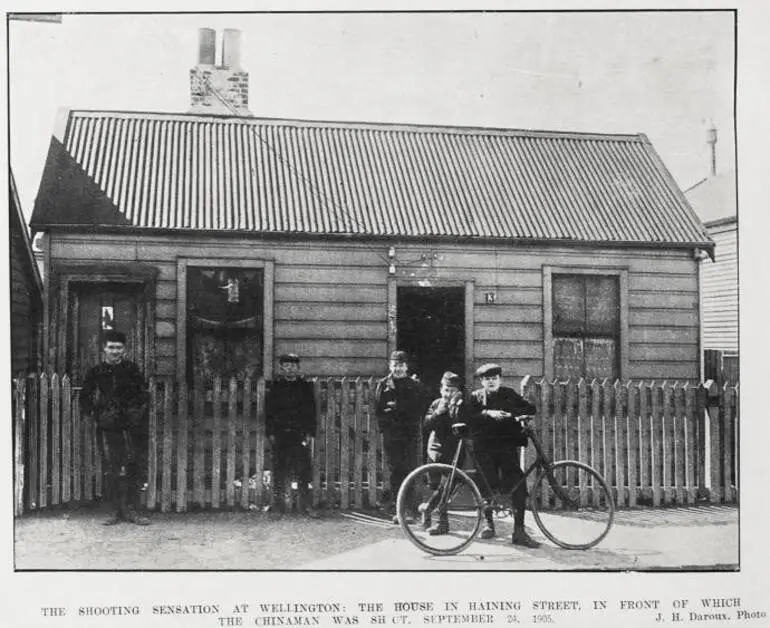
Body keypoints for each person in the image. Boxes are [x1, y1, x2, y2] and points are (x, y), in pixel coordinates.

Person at [80, 330, 150, 526]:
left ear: (124, 349)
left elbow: (143, 394)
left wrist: (136, 413)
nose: (115, 351)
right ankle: (113, 511)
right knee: (111, 467)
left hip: (131, 426)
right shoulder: (95, 372)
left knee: (133, 466)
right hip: (108, 427)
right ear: (104, 349)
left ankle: (132, 511)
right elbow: (84, 398)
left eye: (119, 347)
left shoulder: (132, 369)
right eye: (111, 347)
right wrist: (98, 415)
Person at [469, 363, 540, 547]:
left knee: (517, 484)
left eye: (494, 378)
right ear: (482, 381)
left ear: (500, 379)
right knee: (486, 485)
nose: (491, 382)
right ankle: (488, 524)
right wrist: (487, 413)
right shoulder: (475, 397)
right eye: (486, 379)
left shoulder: (509, 394)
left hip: (506, 447)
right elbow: (467, 418)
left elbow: (530, 409)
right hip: (484, 448)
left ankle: (519, 531)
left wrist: (513, 414)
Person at [374, 350, 427, 524]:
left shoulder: (415, 385)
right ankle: (399, 510)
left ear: (406, 366)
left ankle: (412, 510)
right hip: (392, 435)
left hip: (410, 434)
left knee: (411, 470)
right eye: (395, 365)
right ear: (390, 365)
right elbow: (378, 410)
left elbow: (419, 409)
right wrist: (387, 427)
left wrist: (398, 408)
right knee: (395, 471)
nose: (398, 368)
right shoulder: (384, 384)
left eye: (401, 365)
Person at [264, 353, 318, 517]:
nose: (290, 369)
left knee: (303, 471)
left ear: (298, 368)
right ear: (282, 368)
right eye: (287, 366)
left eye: (293, 366)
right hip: (280, 434)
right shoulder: (276, 387)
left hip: (299, 434)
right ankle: (277, 506)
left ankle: (305, 506)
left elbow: (311, 411)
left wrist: (309, 433)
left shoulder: (305, 387)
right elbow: (269, 412)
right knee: (279, 471)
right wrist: (271, 433)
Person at [420, 371, 467, 535]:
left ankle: (439, 520)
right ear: (441, 389)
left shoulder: (462, 404)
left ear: (458, 391)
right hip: (436, 450)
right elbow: (426, 425)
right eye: (446, 390)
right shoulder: (436, 404)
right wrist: (437, 413)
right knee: (437, 487)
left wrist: (457, 407)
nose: (448, 394)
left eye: (452, 390)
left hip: (455, 451)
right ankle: (430, 511)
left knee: (447, 488)